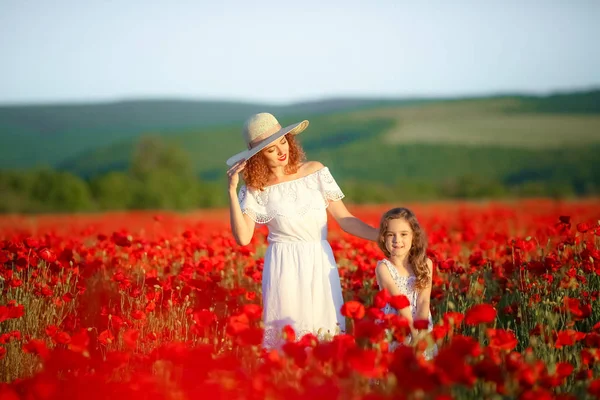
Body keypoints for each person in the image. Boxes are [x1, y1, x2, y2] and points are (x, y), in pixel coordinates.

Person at [226, 112, 378, 350]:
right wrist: (233, 191)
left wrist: (381, 236)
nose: (280, 151)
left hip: (319, 259)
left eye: (283, 142)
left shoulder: (315, 171)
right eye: (270, 149)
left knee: (325, 332)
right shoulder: (256, 189)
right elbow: (243, 238)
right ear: (257, 156)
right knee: (289, 337)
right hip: (283, 266)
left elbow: (346, 219)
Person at [374, 207, 438, 360]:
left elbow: (423, 301)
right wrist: (411, 331)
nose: (397, 240)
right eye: (391, 235)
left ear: (414, 236)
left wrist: (421, 330)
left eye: (403, 234)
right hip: (395, 327)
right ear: (383, 238)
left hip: (420, 322)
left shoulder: (426, 264)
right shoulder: (383, 267)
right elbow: (400, 302)